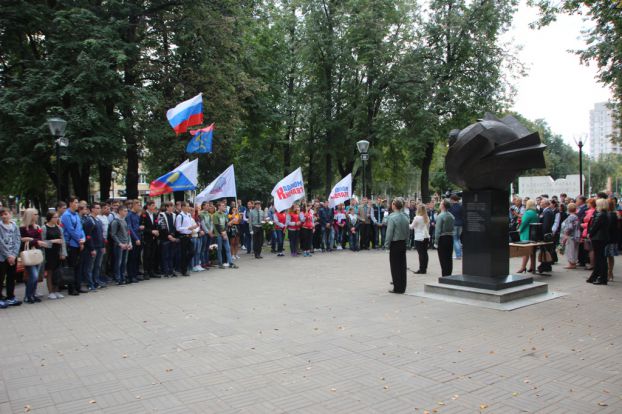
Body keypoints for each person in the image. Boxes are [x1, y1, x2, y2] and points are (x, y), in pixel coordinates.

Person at [385, 198, 410, 294]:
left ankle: (397, 287)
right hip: (403, 242)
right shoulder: (406, 216)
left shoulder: (392, 217)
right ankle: (402, 286)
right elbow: (408, 232)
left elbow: (389, 233)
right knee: (402, 266)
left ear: (394, 206)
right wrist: (407, 243)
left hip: (395, 244)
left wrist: (387, 245)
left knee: (395, 266)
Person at [61, 198, 85, 295]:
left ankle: (78, 286)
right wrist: (80, 241)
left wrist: (83, 239)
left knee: (79, 266)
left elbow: (80, 228)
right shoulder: (66, 215)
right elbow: (71, 230)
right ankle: (72, 288)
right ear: (70, 203)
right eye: (75, 202)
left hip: (79, 243)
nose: (77, 204)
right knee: (72, 266)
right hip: (72, 244)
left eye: (77, 202)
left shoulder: (76, 215)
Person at [19, 208, 44, 303]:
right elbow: (22, 240)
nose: (37, 216)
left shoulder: (37, 227)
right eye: (35, 214)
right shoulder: (23, 228)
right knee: (33, 275)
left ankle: (32, 295)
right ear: (30, 215)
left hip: (36, 253)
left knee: (35, 276)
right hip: (28, 254)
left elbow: (39, 240)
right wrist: (34, 240)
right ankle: (27, 296)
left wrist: (30, 239)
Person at [41, 211, 67, 299]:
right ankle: (50, 291)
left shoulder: (59, 228)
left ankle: (56, 290)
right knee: (50, 272)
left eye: (57, 217)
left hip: (57, 252)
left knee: (58, 272)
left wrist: (63, 252)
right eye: (55, 217)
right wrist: (53, 241)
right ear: (50, 218)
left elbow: (62, 241)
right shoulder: (44, 228)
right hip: (48, 253)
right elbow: (42, 242)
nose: (57, 219)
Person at [0, 207, 22, 307]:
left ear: (10, 214)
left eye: (6, 214)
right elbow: (1, 243)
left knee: (11, 276)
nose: (4, 216)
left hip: (13, 256)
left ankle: (10, 296)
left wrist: (14, 254)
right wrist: (8, 255)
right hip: (2, 256)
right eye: (2, 214)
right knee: (1, 277)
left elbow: (18, 240)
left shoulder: (14, 226)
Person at [587, 198, 610, 285]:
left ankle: (602, 278)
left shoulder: (600, 215)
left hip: (598, 238)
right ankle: (595, 276)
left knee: (600, 259)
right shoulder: (605, 214)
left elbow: (595, 226)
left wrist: (590, 234)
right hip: (601, 238)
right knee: (600, 258)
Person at [84, 203, 105, 290]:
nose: (99, 209)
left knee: (97, 265)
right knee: (90, 266)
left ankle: (96, 281)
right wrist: (92, 248)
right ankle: (90, 283)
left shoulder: (98, 220)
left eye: (99, 208)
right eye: (97, 208)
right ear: (92, 209)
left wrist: (103, 246)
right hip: (93, 247)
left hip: (100, 246)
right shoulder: (89, 220)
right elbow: (88, 236)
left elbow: (102, 234)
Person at [175, 201, 198, 276]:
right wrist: (188, 228)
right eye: (187, 206)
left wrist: (193, 227)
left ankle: (184, 266)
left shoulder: (188, 215)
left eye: (188, 206)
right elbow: (178, 228)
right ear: (183, 207)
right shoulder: (179, 216)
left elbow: (192, 224)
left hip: (189, 236)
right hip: (183, 237)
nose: (188, 207)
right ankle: (183, 270)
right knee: (183, 254)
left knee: (192, 252)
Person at [517, 199, 540, 273]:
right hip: (534, 235)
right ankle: (532, 267)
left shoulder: (527, 213)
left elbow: (524, 223)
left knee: (525, 252)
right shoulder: (535, 213)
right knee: (532, 252)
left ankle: (523, 267)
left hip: (526, 234)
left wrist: (519, 230)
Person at [110, 205, 131, 284]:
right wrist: (119, 243)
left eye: (126, 211)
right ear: (120, 211)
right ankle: (117, 278)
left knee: (124, 262)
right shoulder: (116, 221)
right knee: (118, 262)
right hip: (119, 245)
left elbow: (128, 233)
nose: (126, 212)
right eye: (124, 211)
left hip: (125, 244)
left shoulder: (124, 220)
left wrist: (128, 243)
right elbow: (113, 234)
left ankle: (123, 277)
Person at [213, 201, 238, 268]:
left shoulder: (224, 214)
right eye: (223, 205)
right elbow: (217, 225)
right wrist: (222, 233)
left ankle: (230, 263)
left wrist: (232, 222)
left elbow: (226, 224)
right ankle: (220, 263)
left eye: (224, 206)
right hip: (219, 234)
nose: (224, 207)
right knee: (220, 249)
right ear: (219, 207)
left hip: (224, 233)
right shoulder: (215, 215)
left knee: (227, 248)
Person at [435, 199, 455, 277]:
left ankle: (445, 275)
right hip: (450, 237)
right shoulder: (451, 215)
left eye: (441, 203)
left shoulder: (440, 216)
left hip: (442, 238)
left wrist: (436, 242)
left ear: (443, 206)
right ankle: (449, 275)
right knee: (449, 258)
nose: (440, 204)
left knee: (443, 258)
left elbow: (438, 230)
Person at [158, 202, 178, 277]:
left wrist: (172, 235)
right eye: (170, 206)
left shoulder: (174, 215)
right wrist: (168, 235)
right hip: (164, 238)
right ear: (167, 207)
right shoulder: (161, 215)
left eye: (172, 206)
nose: (172, 208)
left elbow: (174, 226)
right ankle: (166, 271)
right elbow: (162, 226)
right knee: (165, 255)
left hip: (172, 238)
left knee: (171, 255)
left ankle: (171, 270)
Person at [141, 200, 161, 278]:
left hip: (154, 238)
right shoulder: (144, 215)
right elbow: (143, 227)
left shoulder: (155, 215)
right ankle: (146, 271)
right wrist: (151, 231)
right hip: (147, 238)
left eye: (154, 206)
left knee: (153, 255)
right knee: (147, 255)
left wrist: (157, 231)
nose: (154, 207)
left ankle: (151, 271)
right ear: (148, 206)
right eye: (152, 205)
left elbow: (156, 225)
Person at [410, 204, 430, 274]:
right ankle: (424, 268)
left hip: (419, 237)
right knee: (425, 253)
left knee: (421, 254)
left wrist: (407, 224)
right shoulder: (426, 217)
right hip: (426, 236)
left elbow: (411, 227)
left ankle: (422, 269)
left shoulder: (417, 218)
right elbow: (428, 228)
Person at [605, 198, 619, 282]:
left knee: (608, 256)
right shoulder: (613, 214)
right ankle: (610, 273)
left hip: (609, 238)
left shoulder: (610, 215)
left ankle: (609, 273)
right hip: (612, 238)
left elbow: (609, 227)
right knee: (610, 256)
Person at [448, 195, 463, 260]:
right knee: (458, 239)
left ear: (453, 200)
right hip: (460, 224)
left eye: (451, 199)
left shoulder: (451, 207)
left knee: (455, 239)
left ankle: (458, 255)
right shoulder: (461, 206)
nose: (450, 200)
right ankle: (460, 254)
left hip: (454, 224)